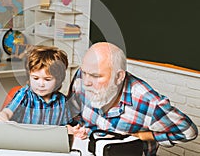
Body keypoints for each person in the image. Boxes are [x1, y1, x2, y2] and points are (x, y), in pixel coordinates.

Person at [69, 42, 198, 155]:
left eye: (95, 76)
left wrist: (144, 136)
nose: (86, 82)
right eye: (84, 72)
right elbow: (73, 113)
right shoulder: (81, 77)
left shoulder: (149, 102)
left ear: (119, 77)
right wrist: (76, 128)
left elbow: (188, 131)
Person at [0, 45, 85, 138]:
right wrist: (4, 119)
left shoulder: (62, 101)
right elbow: (5, 113)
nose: (41, 84)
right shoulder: (24, 95)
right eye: (35, 78)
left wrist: (73, 130)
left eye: (47, 79)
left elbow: (65, 126)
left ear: (58, 80)